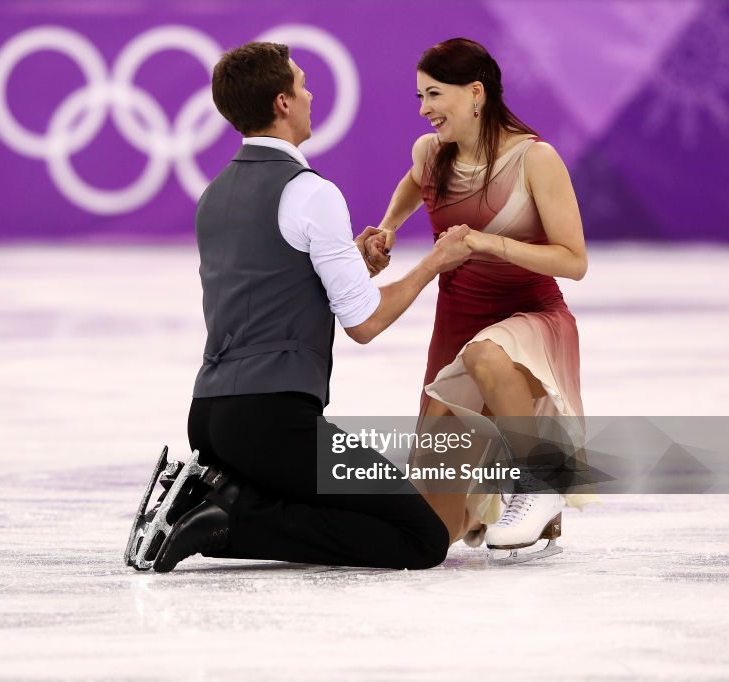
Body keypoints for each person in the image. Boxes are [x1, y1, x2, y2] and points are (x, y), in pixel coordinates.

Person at [125, 41, 473, 573]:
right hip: (275, 424)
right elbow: (366, 323)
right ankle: (223, 521)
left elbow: (270, 282)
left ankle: (222, 500)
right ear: (284, 103)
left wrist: (352, 264)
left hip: (211, 419)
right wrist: (435, 262)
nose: (311, 95)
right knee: (420, 536)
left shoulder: (213, 195)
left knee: (344, 511)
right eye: (303, 85)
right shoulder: (311, 193)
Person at [358, 38, 592, 560]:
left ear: (476, 93)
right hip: (456, 324)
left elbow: (574, 261)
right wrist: (389, 227)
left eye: (434, 95)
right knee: (432, 533)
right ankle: (504, 507)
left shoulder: (536, 158)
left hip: (530, 320)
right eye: (419, 96)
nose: (424, 110)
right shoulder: (431, 153)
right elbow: (415, 183)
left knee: (487, 354)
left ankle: (538, 481)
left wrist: (490, 242)